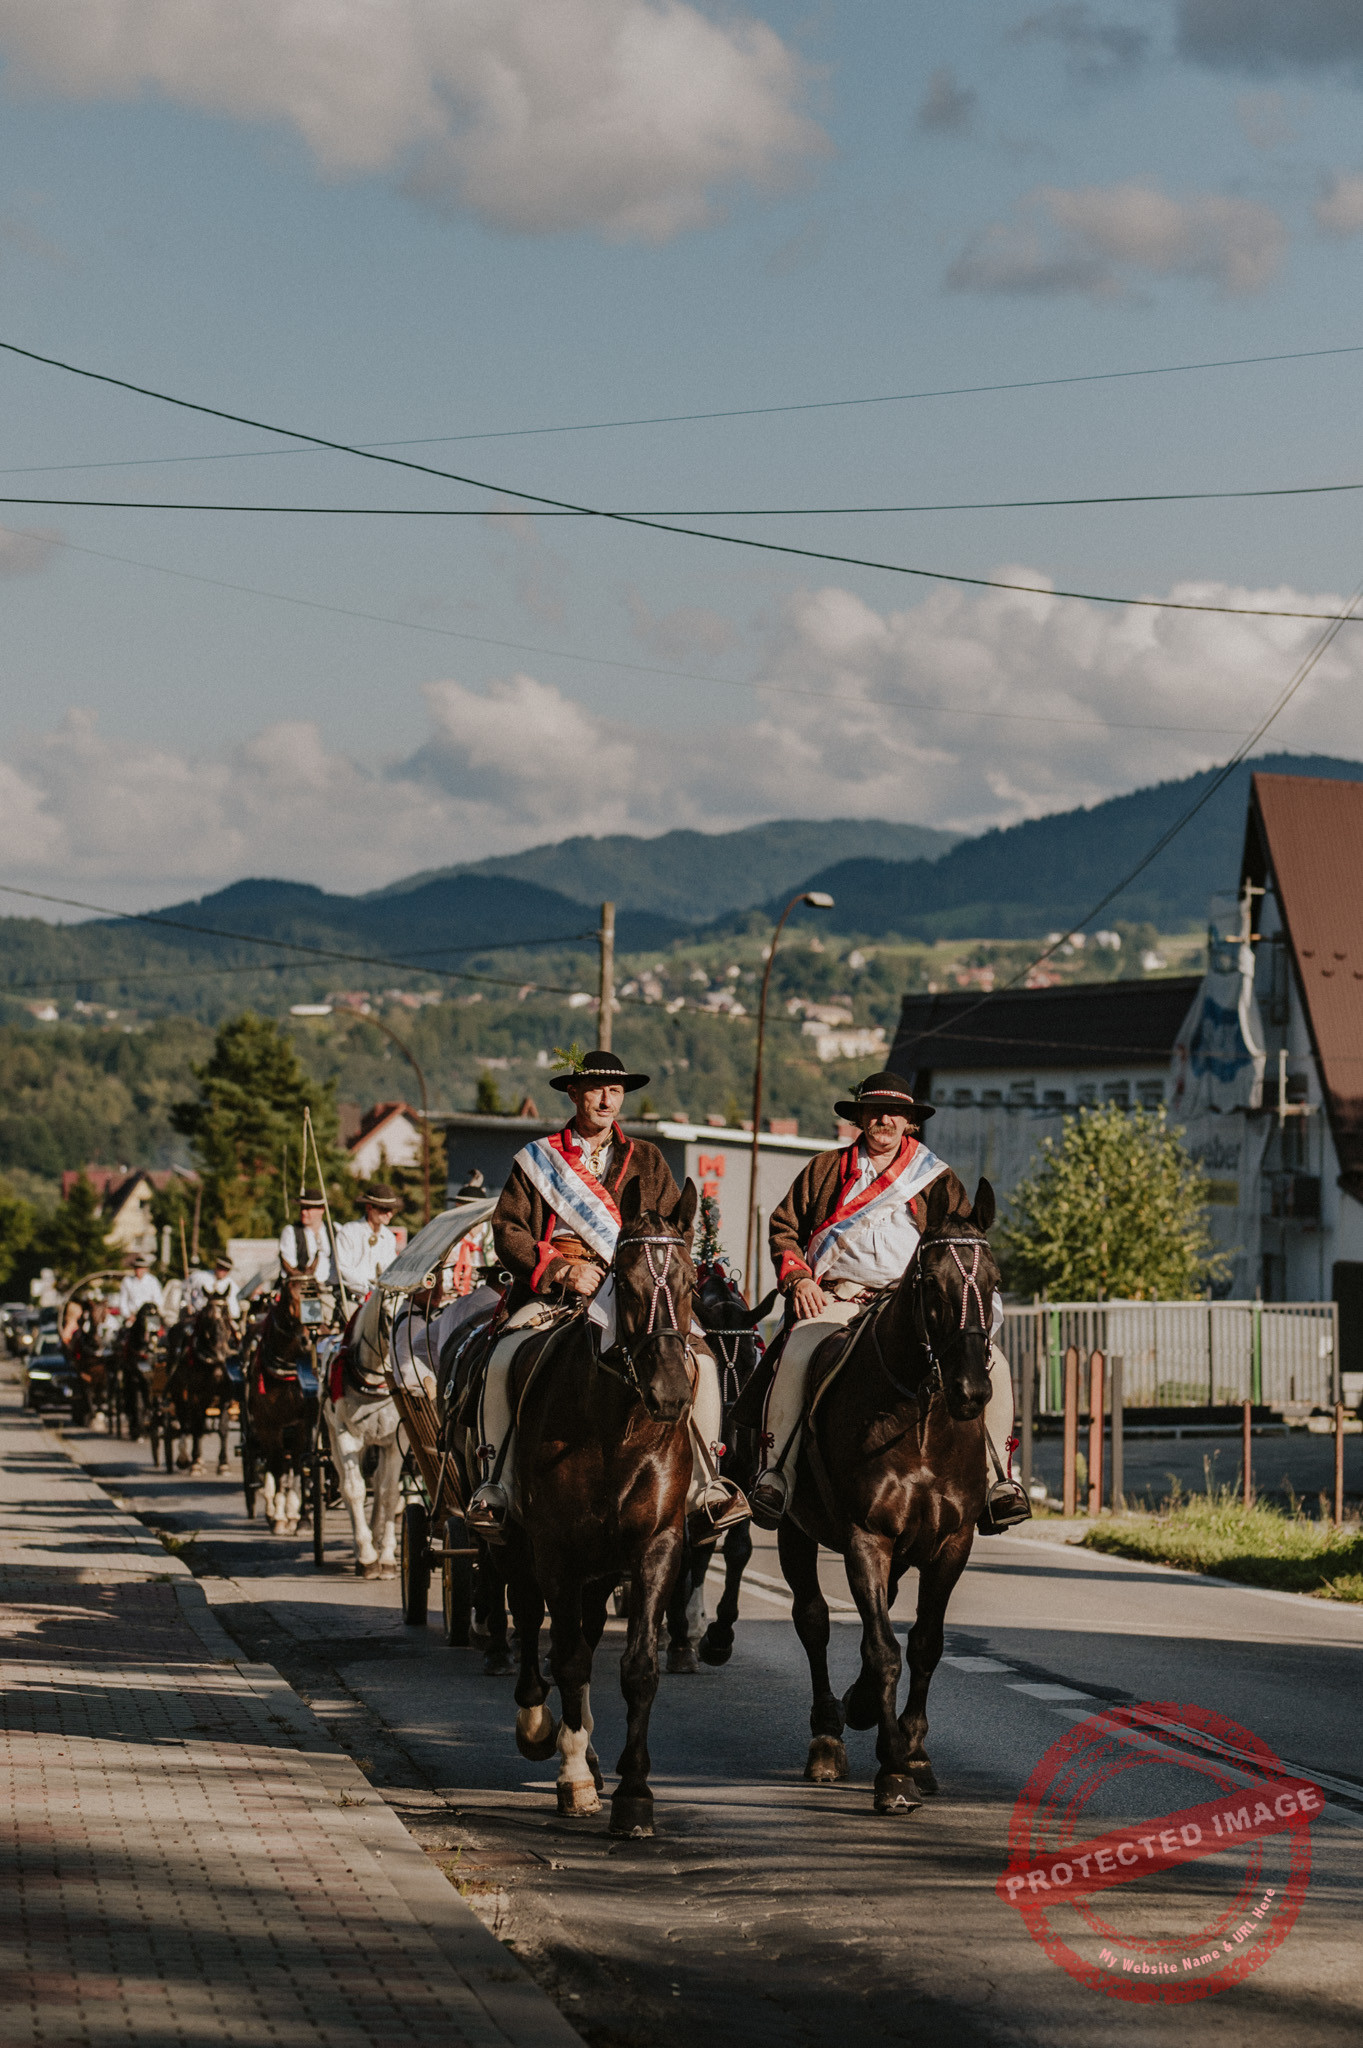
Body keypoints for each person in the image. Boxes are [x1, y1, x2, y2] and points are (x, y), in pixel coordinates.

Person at [466, 1049, 748, 1539]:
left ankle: (706, 1486)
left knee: (701, 1361)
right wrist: (560, 1270)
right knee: (500, 1360)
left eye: (614, 1091)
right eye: (595, 1089)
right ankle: (500, 1485)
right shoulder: (537, 1159)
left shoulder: (649, 1160)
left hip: (635, 1293)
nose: (605, 1099)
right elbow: (509, 1229)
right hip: (555, 1294)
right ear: (574, 1093)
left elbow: (666, 1236)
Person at [749, 1070, 1030, 1532]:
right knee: (796, 1354)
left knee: (993, 1363)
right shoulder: (824, 1170)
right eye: (875, 1111)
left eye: (894, 1112)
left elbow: (965, 1248)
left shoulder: (936, 1178)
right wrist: (799, 1280)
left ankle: (999, 1481)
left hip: (916, 1307)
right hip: (838, 1297)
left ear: (910, 1122)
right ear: (860, 1117)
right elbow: (784, 1230)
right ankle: (777, 1472)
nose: (884, 1119)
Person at [332, 1185, 401, 1301]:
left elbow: (389, 1269)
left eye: (391, 1209)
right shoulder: (348, 1232)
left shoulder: (389, 1237)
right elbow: (343, 1269)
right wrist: (368, 1289)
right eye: (384, 1209)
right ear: (369, 1208)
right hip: (350, 1298)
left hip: (379, 1298)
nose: (389, 1214)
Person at [280, 1191, 332, 1281]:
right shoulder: (291, 1232)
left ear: (322, 1209)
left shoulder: (335, 1229)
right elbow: (291, 1270)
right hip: (303, 1286)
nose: (303, 1212)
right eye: (302, 1208)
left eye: (308, 1208)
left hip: (333, 1287)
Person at [185, 1253, 241, 1318]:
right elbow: (185, 1289)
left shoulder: (232, 1285)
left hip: (221, 1317)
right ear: (216, 1265)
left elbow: (233, 1303)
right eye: (220, 1267)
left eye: (226, 1269)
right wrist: (188, 1304)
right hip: (198, 1314)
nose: (222, 1271)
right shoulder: (199, 1277)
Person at [116, 1251, 164, 1324]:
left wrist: (153, 1311)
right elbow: (123, 1300)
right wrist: (127, 1315)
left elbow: (158, 1299)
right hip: (133, 1315)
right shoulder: (127, 1281)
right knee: (127, 1330)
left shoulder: (152, 1281)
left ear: (146, 1269)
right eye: (137, 1268)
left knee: (158, 1331)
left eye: (141, 1268)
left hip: (149, 1315)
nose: (138, 1270)